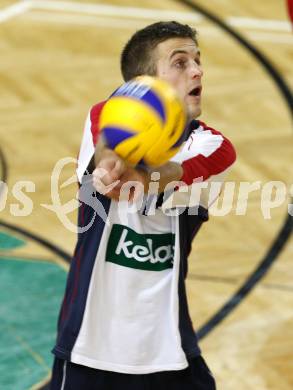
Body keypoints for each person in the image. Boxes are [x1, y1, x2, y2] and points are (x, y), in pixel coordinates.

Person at [50, 21, 236, 389]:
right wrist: (110, 162)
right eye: (180, 63)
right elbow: (107, 149)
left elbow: (179, 170)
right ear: (144, 83)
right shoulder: (104, 117)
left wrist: (141, 174)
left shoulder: (214, 147)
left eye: (198, 61)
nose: (198, 70)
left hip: (168, 353)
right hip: (89, 346)